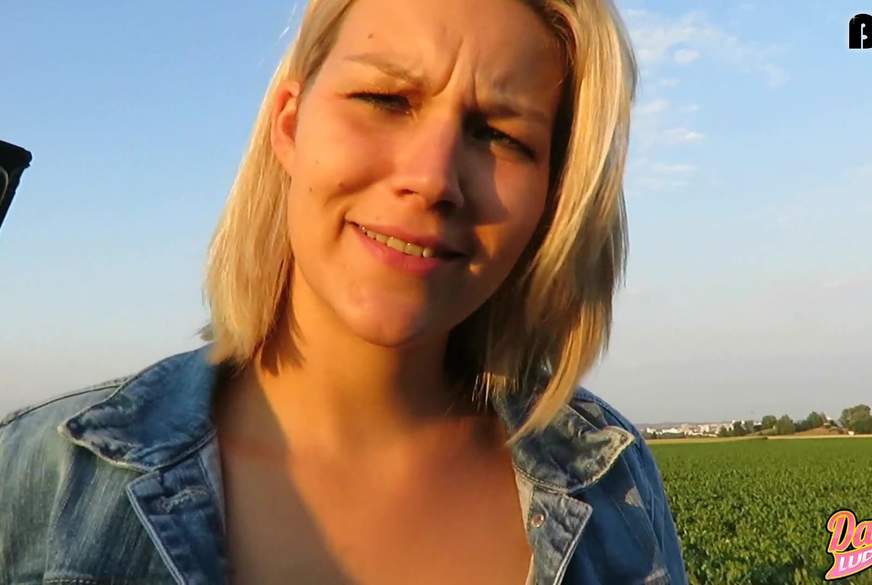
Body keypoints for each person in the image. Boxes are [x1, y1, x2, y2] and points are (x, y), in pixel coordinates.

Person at [0, 0, 689, 583]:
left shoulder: (613, 484)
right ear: (290, 123)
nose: (432, 178)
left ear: (554, 198)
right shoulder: (43, 478)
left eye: (500, 135)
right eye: (386, 100)